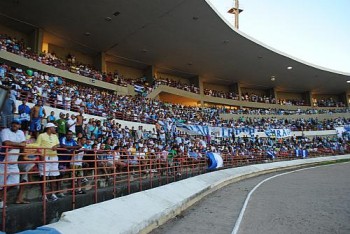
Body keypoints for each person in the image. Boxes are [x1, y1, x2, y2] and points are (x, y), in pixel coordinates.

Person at [28, 122, 60, 201]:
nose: (55, 129)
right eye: (53, 127)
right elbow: (37, 144)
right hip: (45, 157)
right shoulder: (41, 135)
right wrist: (27, 145)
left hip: (54, 157)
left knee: (53, 176)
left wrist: (56, 146)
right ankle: (44, 195)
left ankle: (53, 193)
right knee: (44, 176)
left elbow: (58, 144)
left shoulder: (55, 136)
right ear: (49, 128)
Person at [0, 119, 26, 207]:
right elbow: (6, 142)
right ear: (11, 124)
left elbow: (24, 144)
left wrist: (12, 145)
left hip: (14, 162)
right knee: (0, 184)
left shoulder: (21, 132)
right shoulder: (5, 131)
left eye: (17, 124)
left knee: (14, 182)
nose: (15, 125)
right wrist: (19, 144)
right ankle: (1, 201)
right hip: (3, 161)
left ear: (19, 126)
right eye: (13, 123)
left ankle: (0, 197)